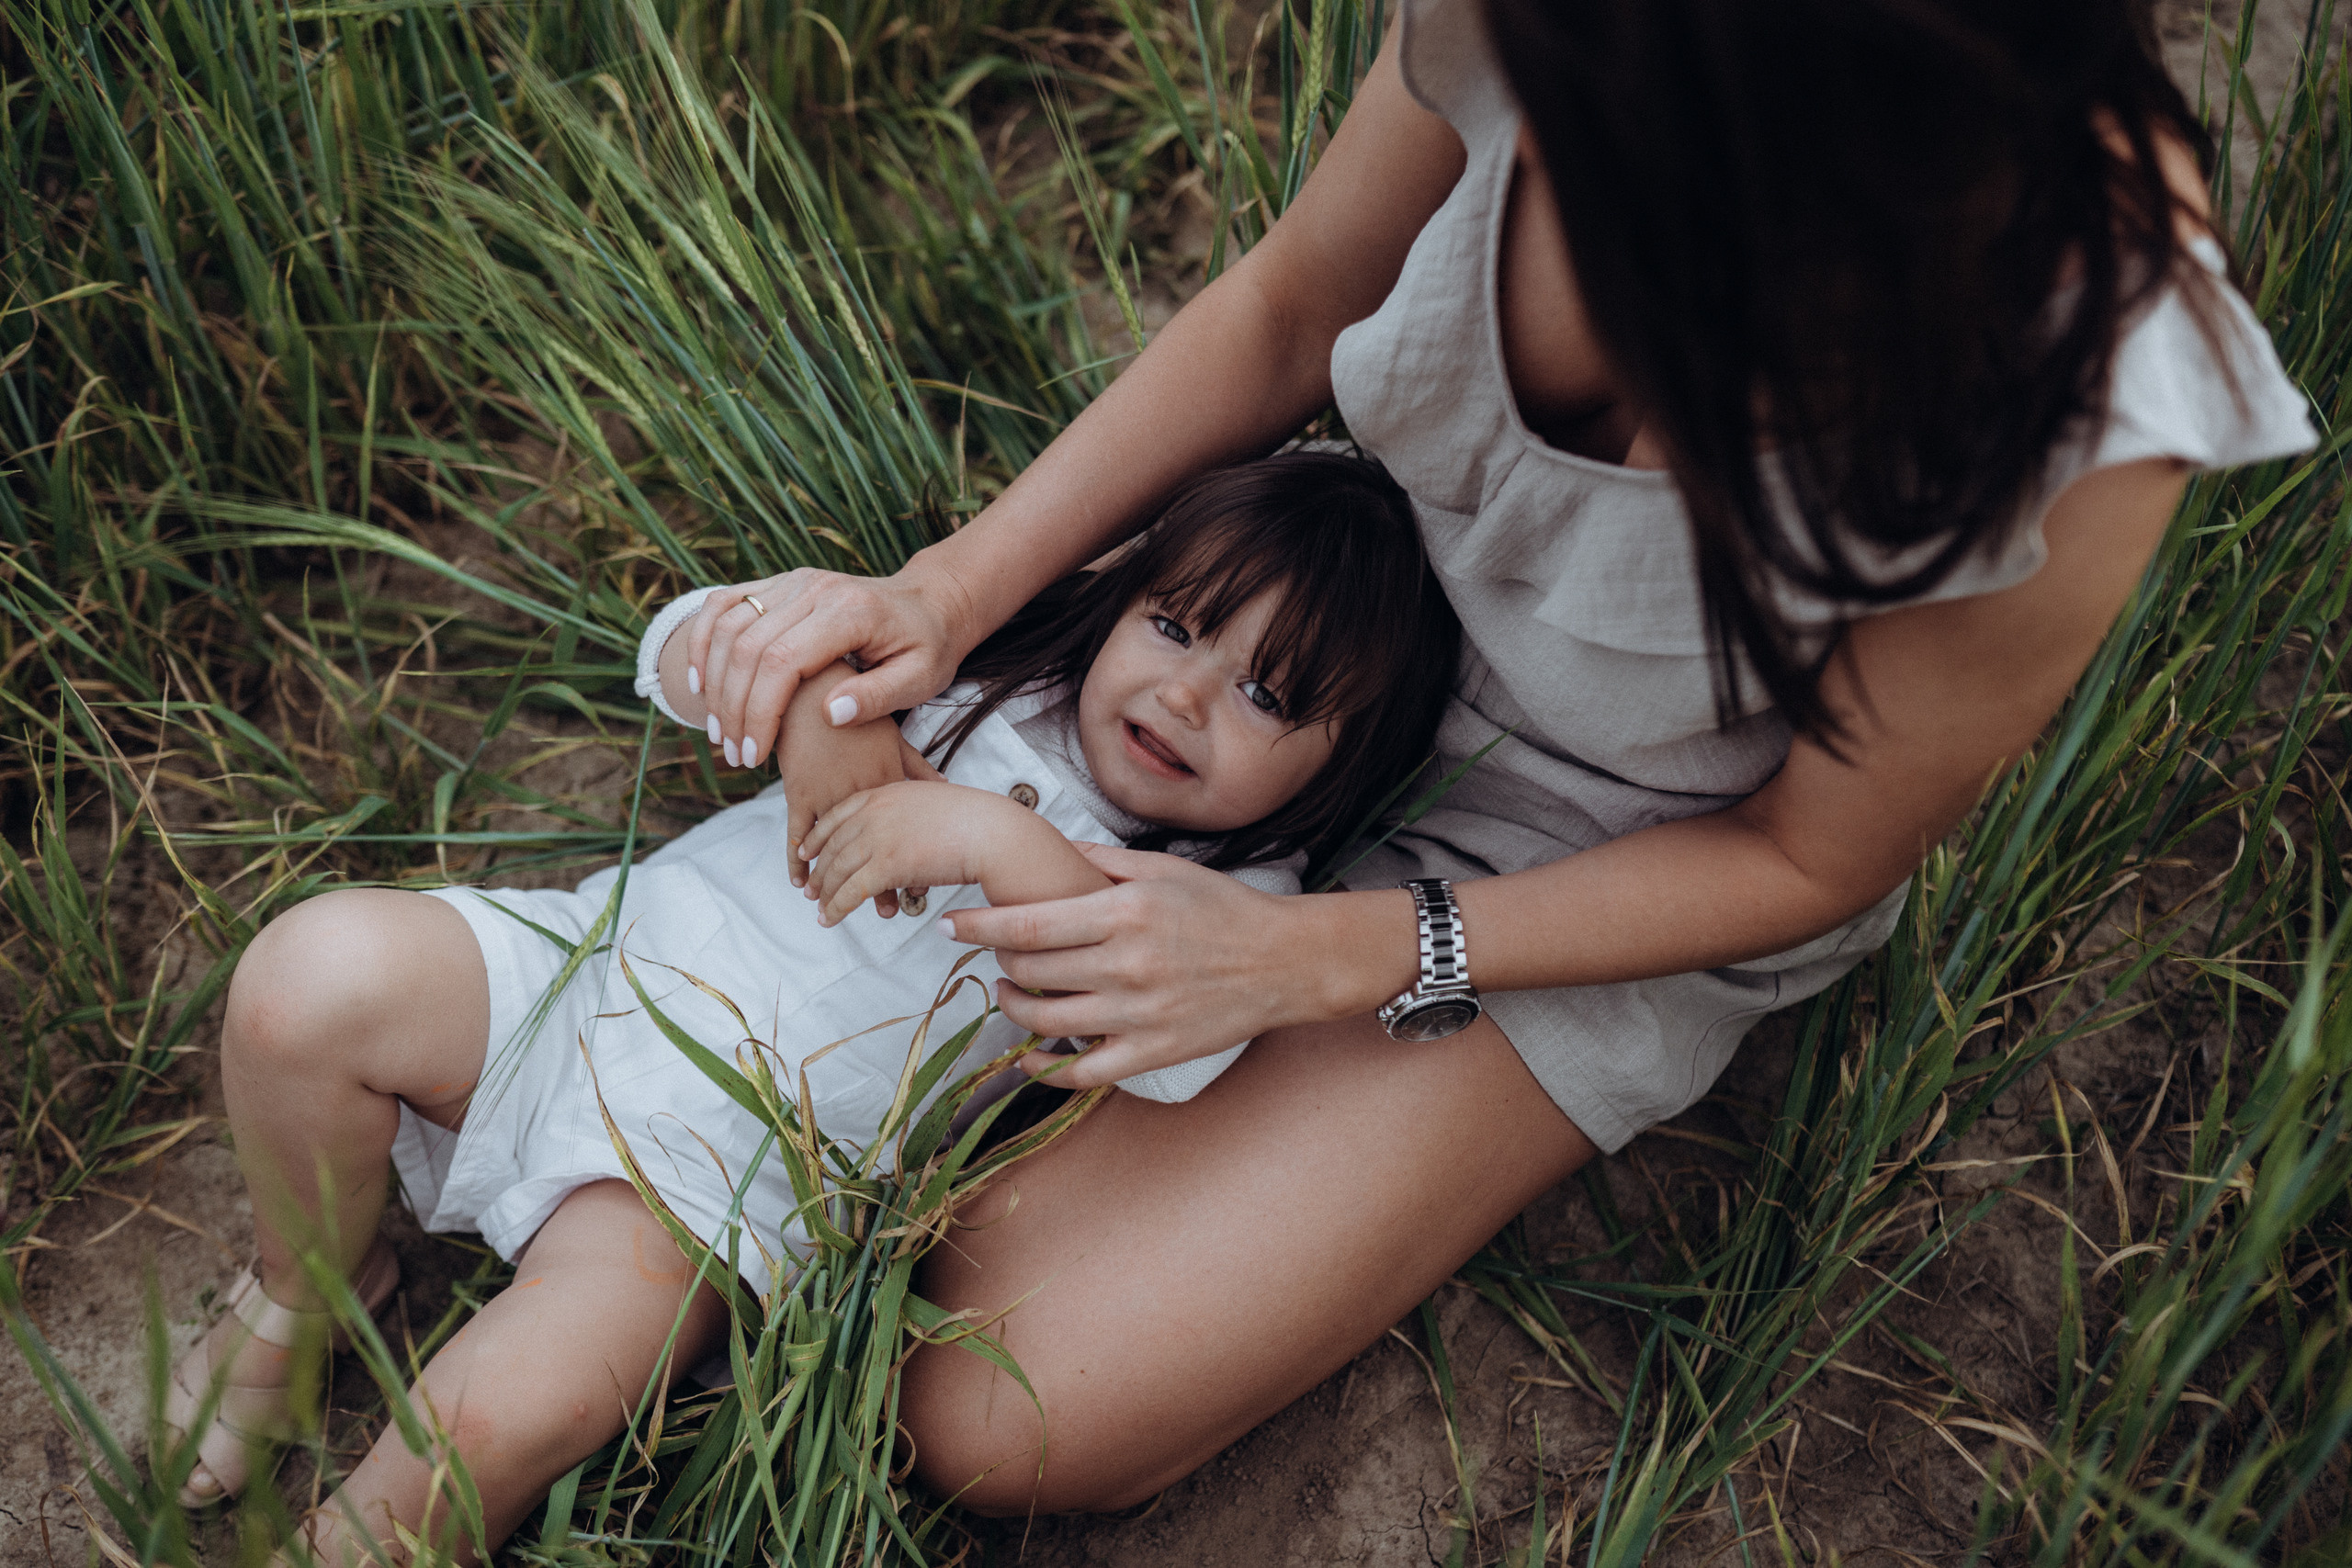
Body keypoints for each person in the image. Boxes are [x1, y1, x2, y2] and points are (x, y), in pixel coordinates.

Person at [674, 0, 2320, 1517]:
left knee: (1010, 1401)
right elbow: (1289, 309)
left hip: (1604, 852)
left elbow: (1811, 855)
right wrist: (956, 588)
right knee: (833, 781)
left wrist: (1314, 955)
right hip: (1323, 628)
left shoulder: (2089, 388)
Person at [156, 449, 1460, 1561]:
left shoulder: (1224, 894)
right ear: (1116, 601)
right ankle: (306, 1289)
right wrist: (803, 707)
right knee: (303, 984)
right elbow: (682, 646)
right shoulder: (975, 673)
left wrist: (993, 844)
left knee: (493, 1423)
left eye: (1267, 694)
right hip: (581, 981)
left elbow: (1177, 1058)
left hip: (717, 1188)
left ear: (1339, 770)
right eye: (1177, 627)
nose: (1185, 695)